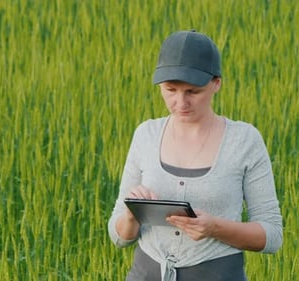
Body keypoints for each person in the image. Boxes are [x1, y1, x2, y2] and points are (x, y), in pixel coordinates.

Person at [107, 30, 283, 281]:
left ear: (216, 83)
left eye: (193, 91)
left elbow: (272, 236)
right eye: (170, 90)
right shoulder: (146, 134)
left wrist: (214, 228)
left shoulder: (244, 140)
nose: (180, 102)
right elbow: (118, 236)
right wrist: (132, 216)